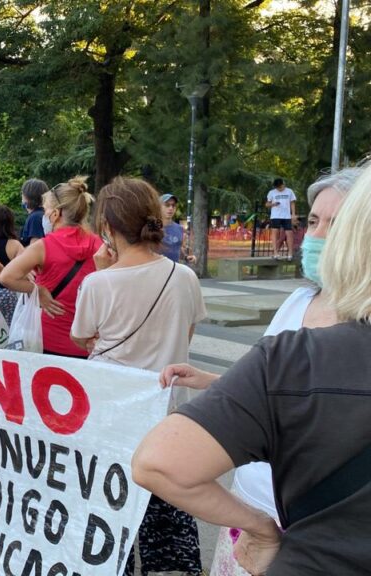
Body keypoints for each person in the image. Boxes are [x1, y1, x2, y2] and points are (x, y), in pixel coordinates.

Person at [133, 166, 371, 576]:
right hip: (254, 500)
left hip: (295, 535)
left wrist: (261, 530)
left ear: (357, 237)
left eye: (335, 224)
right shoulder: (298, 304)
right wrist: (213, 383)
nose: (317, 236)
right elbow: (276, 394)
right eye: (313, 221)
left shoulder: (293, 355)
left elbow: (159, 463)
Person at [69, 177, 206, 576]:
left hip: (111, 417)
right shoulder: (184, 277)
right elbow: (185, 336)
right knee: (167, 510)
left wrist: (103, 271)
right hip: (168, 414)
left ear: (107, 227)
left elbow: (82, 337)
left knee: (112, 513)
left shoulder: (98, 283)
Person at [0, 176, 102, 358]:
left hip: (47, 340)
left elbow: (6, 277)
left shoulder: (44, 246)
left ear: (55, 214)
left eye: (45, 209)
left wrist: (37, 289)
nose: (44, 215)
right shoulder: (100, 246)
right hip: (87, 342)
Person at [266, 177, 298, 260]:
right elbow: (267, 204)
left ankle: (290, 253)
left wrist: (293, 214)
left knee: (289, 233)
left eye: (280, 187)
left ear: (283, 184)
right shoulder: (271, 192)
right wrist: (273, 204)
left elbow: (292, 203)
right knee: (275, 233)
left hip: (286, 216)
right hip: (275, 216)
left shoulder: (289, 191)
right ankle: (275, 253)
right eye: (278, 188)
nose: (279, 189)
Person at [159, 193, 195, 263]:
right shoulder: (151, 228)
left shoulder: (179, 228)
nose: (171, 208)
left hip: (173, 269)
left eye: (173, 205)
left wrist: (186, 257)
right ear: (159, 207)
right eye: (167, 205)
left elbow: (177, 249)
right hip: (156, 268)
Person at [19, 178, 49, 245]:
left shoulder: (35, 217)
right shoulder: (42, 214)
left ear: (28, 196)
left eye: (23, 193)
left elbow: (35, 246)